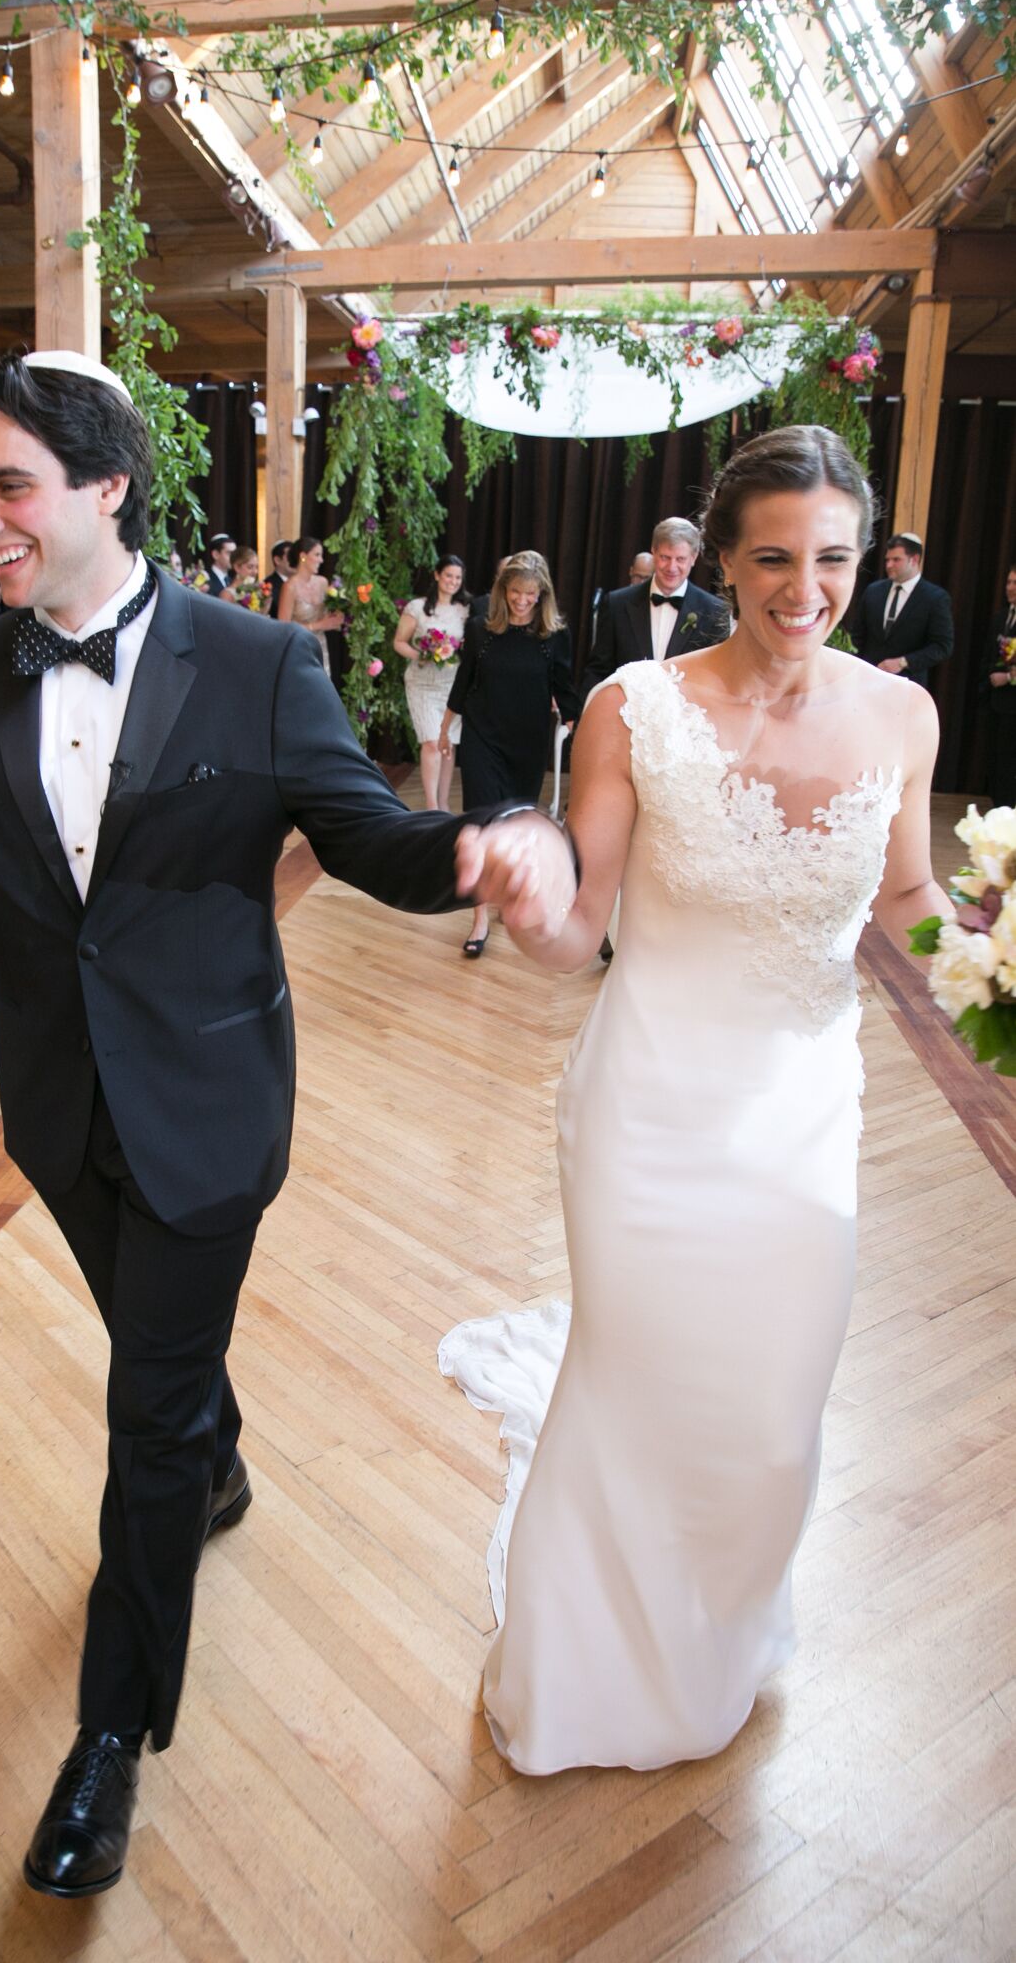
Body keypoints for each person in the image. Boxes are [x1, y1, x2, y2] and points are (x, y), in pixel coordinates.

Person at [0, 347, 558, 1902]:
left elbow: (365, 836)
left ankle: (112, 1736)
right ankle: (218, 1458)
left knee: (143, 1410)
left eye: (8, 485)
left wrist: (490, 845)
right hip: (54, 1109)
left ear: (105, 488)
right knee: (164, 1371)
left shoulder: (256, 662)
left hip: (210, 1099)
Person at [440, 424, 948, 1776]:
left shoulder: (900, 715)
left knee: (769, 1410)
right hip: (647, 1108)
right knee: (637, 1384)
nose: (803, 588)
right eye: (773, 557)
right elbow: (577, 931)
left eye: (831, 559)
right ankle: (589, 1671)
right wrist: (529, 889)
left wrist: (990, 984)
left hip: (800, 1116)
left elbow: (904, 900)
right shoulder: (631, 707)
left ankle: (716, 1638)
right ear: (718, 557)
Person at [440, 551, 575, 957]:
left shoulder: (553, 636)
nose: (521, 601)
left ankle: (508, 893)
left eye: (529, 594)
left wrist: (575, 724)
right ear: (504, 591)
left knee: (515, 822)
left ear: (542, 595)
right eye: (515, 592)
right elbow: (465, 681)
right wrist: (445, 728)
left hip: (527, 741)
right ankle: (479, 918)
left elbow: (564, 688)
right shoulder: (481, 629)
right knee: (481, 820)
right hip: (483, 736)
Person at [576, 517, 730, 712]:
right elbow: (598, 671)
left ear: (693, 558)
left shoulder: (714, 611)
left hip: (684, 727)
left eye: (680, 559)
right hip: (625, 719)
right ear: (654, 552)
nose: (672, 567)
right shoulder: (617, 604)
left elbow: (717, 681)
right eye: (665, 557)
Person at [392, 555, 469, 810]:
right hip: (422, 683)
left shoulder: (464, 610)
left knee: (447, 745)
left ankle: (444, 803)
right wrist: (423, 655)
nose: (453, 582)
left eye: (458, 577)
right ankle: (431, 805)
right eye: (448, 575)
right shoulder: (418, 607)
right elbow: (399, 642)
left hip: (452, 684)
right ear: (437, 575)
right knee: (432, 742)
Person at [852, 531, 954, 684]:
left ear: (914, 559)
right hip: (868, 679)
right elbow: (857, 636)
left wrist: (903, 662)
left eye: (896, 560)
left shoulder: (934, 598)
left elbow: (942, 646)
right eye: (887, 560)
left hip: (908, 682)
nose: (889, 565)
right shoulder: (873, 591)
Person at [276, 534, 345, 677]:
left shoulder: (323, 582)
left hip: (320, 646)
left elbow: (327, 616)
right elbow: (283, 627)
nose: (321, 560)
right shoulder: (290, 587)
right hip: (298, 646)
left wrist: (337, 616)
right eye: (317, 555)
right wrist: (317, 625)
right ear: (303, 556)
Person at [982, 559, 1016, 807]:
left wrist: (1010, 677)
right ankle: (999, 807)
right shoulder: (1002, 616)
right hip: (998, 701)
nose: (1010, 587)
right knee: (998, 758)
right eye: (1009, 582)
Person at [267, 539, 294, 619]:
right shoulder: (268, 586)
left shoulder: (301, 583)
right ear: (277, 560)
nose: (295, 561)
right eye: (290, 556)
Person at [204, 532, 235, 597]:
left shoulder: (232, 581)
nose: (234, 557)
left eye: (235, 553)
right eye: (229, 553)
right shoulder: (205, 579)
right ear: (215, 554)